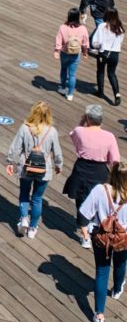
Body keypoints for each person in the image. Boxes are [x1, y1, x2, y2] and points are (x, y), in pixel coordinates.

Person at [63, 105, 120, 248]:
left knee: (81, 202)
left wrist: (82, 121)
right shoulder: (109, 136)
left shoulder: (80, 131)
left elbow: (73, 134)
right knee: (100, 200)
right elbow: (115, 160)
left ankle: (85, 236)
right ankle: (95, 227)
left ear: (88, 118)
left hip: (82, 168)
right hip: (100, 171)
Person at [5, 101, 63, 239]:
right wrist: (58, 165)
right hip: (44, 170)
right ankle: (33, 228)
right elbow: (57, 152)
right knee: (37, 199)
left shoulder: (25, 128)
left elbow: (16, 147)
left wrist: (10, 161)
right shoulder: (52, 131)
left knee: (24, 194)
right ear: (48, 115)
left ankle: (24, 217)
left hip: (26, 167)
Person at [80, 163, 127, 322]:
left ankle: (99, 314)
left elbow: (84, 213)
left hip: (101, 236)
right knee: (121, 264)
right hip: (123, 238)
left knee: (102, 271)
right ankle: (117, 289)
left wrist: (85, 234)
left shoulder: (100, 190)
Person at [55, 7, 90, 101]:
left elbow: (58, 40)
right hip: (75, 54)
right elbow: (85, 43)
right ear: (78, 17)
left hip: (64, 52)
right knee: (72, 74)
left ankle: (63, 88)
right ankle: (70, 94)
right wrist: (85, 52)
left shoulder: (63, 27)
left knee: (63, 70)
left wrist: (56, 51)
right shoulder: (83, 28)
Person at [92, 8, 124, 107]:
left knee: (100, 71)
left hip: (104, 53)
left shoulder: (102, 26)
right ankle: (117, 94)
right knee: (112, 73)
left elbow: (96, 42)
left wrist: (96, 47)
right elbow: (120, 41)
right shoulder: (120, 28)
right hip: (115, 54)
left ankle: (100, 92)